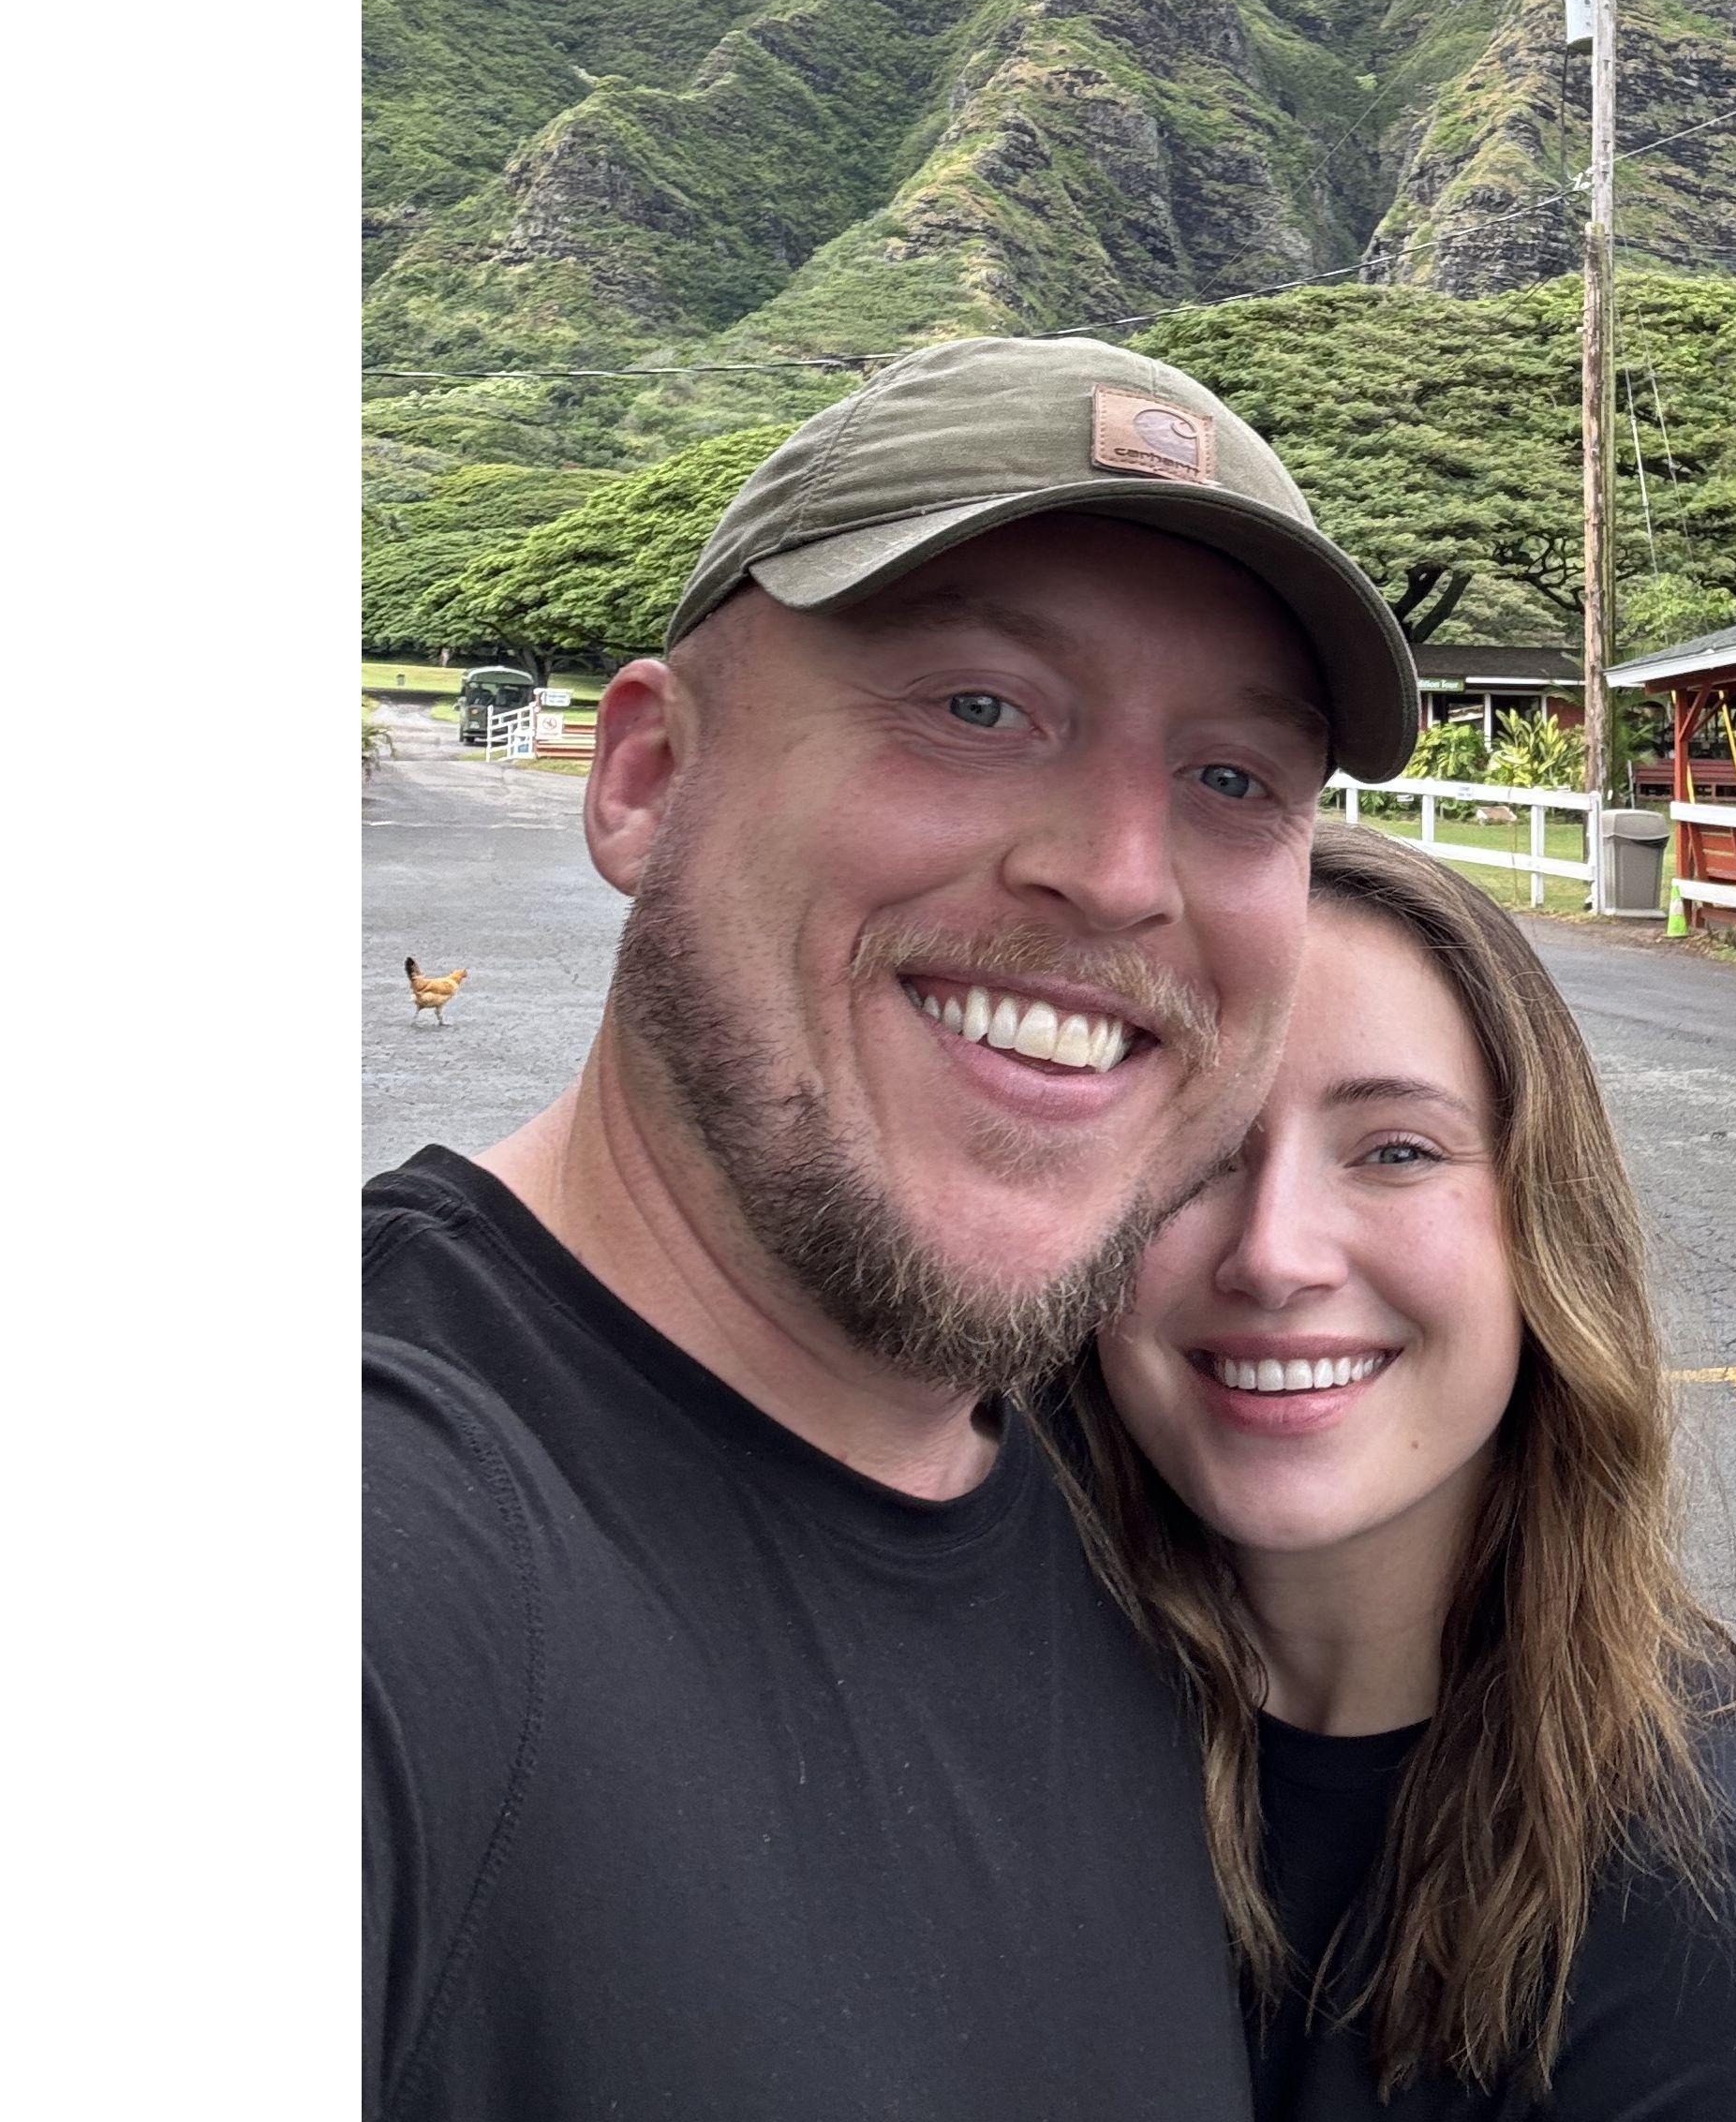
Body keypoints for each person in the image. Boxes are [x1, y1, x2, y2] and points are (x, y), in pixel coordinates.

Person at [364, 336, 1422, 2120]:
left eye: (1237, 779)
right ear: (645, 779)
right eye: (978, 708)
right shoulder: (381, 1557)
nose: (1119, 871)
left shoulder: (1147, 1520)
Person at [1051, 824, 1736, 2119]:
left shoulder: (1733, 1944)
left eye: (1395, 1149)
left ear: (1539, 1227)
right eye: (1198, 1145)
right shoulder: (966, 1683)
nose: (1275, 1255)